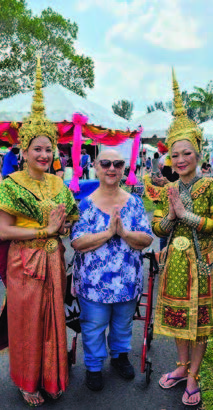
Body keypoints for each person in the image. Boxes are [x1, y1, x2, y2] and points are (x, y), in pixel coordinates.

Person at [0, 58, 78, 407]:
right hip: (25, 263)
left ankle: (52, 376)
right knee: (27, 323)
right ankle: (27, 381)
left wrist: (65, 226)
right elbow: (2, 230)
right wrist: (44, 229)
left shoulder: (60, 185)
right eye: (38, 149)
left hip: (55, 260)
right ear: (24, 150)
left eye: (49, 149)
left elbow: (70, 221)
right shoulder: (11, 184)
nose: (44, 154)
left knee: (52, 319)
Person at [152, 70, 213, 407]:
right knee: (179, 318)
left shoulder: (211, 186)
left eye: (186, 153)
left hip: (205, 264)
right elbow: (157, 230)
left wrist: (189, 216)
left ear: (198, 154)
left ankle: (194, 376)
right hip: (175, 262)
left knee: (201, 323)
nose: (179, 160)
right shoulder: (167, 189)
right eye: (174, 155)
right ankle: (180, 367)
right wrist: (169, 216)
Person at [71, 149, 153, 391]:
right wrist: (108, 233)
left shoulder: (135, 203)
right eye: (105, 163)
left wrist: (124, 233)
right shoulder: (85, 204)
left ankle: (119, 357)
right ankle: (94, 367)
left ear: (123, 168)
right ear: (95, 166)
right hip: (93, 286)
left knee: (122, 324)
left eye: (117, 164)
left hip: (127, 283)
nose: (111, 168)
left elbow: (147, 239)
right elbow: (77, 243)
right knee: (94, 326)